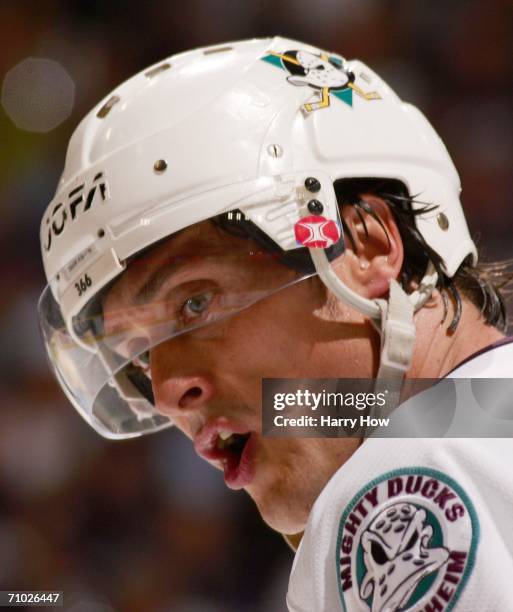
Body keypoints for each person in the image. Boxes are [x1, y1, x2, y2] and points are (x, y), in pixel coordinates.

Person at [38, 37, 513, 611]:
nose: (166, 393)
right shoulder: (484, 424)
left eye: (195, 304)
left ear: (366, 246)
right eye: (138, 354)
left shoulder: (405, 486)